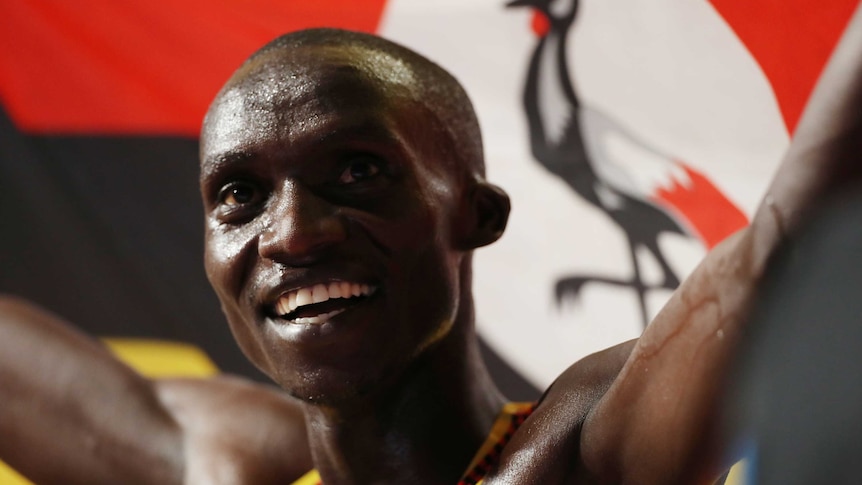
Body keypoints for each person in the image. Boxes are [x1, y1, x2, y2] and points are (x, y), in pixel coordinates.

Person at [1, 3, 861, 482]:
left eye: (359, 173)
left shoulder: (588, 450)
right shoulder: (226, 462)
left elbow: (780, 244)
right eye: (239, 195)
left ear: (476, 215)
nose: (293, 232)